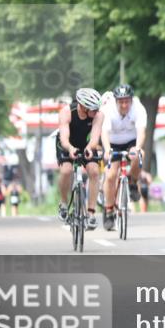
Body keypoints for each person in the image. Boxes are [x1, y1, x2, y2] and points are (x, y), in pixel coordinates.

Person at [55, 88, 105, 230]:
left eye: (97, 108)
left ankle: (91, 213)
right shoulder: (66, 112)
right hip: (66, 144)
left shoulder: (99, 115)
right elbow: (64, 139)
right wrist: (71, 149)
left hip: (86, 144)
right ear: (83, 106)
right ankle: (64, 203)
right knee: (66, 170)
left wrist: (89, 148)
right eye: (93, 109)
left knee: (94, 171)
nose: (96, 111)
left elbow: (94, 137)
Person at [99, 84, 147, 231]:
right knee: (111, 175)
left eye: (127, 101)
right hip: (112, 142)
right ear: (116, 101)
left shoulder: (138, 108)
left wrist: (137, 148)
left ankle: (132, 182)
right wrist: (107, 150)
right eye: (121, 102)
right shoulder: (108, 110)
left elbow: (141, 132)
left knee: (139, 155)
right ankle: (108, 210)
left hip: (131, 141)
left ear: (131, 100)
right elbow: (104, 132)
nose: (124, 105)